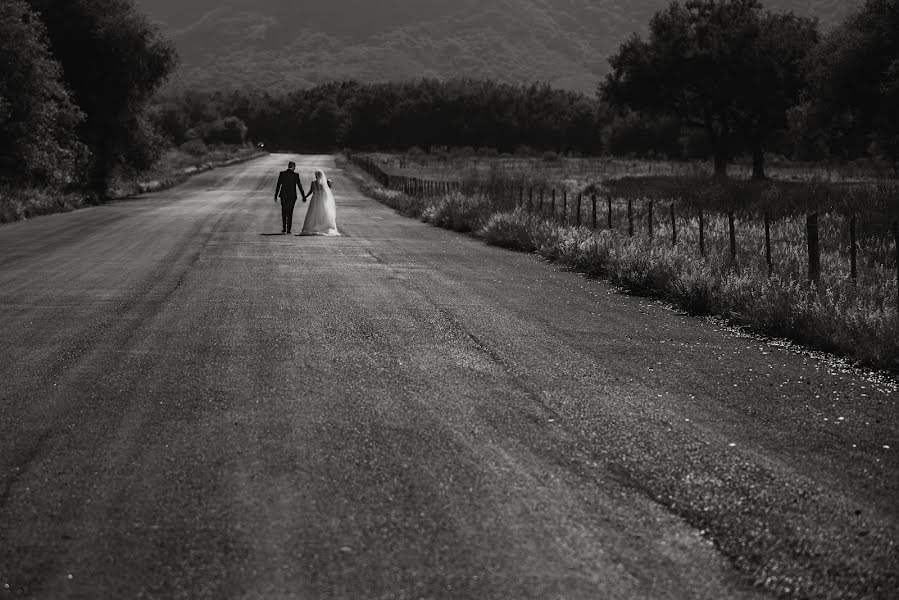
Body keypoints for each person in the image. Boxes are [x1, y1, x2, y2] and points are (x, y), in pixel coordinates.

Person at [300, 170, 340, 236]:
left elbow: (310, 191)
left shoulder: (313, 182)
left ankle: (312, 226)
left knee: (313, 212)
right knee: (321, 212)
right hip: (321, 199)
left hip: (314, 198)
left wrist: (305, 196)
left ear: (316, 175)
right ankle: (321, 225)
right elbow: (326, 192)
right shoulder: (323, 184)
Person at [273, 161, 306, 233]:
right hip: (292, 196)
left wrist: (276, 195)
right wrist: (303, 196)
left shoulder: (282, 174)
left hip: (283, 195)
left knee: (284, 211)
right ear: (293, 167)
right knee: (290, 212)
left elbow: (278, 185)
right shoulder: (295, 175)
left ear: (288, 166)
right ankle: (289, 229)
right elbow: (299, 186)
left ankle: (284, 227)